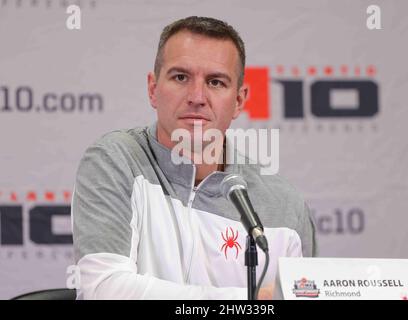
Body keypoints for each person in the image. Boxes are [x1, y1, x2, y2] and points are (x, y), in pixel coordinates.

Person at [71, 16, 317, 300]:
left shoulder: (285, 205)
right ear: (153, 89)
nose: (197, 96)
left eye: (215, 82)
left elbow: (306, 295)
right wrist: (253, 300)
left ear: (239, 100)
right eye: (180, 77)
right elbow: (104, 291)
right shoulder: (115, 161)